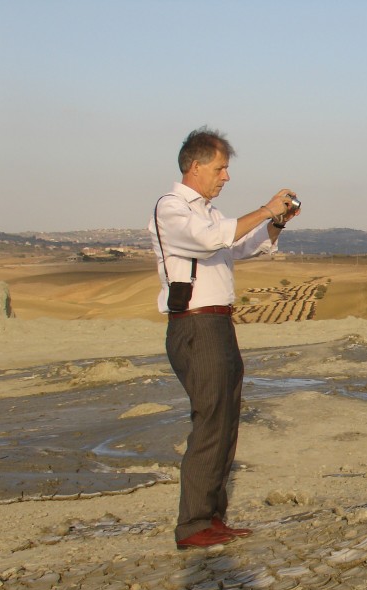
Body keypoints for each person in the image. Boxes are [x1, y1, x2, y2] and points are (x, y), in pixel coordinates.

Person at [150, 127, 300, 550]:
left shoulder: (208, 211)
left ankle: (211, 518)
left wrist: (275, 224)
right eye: (221, 168)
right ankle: (194, 525)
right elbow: (211, 240)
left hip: (217, 324)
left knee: (225, 420)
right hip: (196, 325)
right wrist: (264, 207)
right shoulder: (172, 208)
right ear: (194, 167)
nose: (226, 177)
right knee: (210, 421)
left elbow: (239, 247)